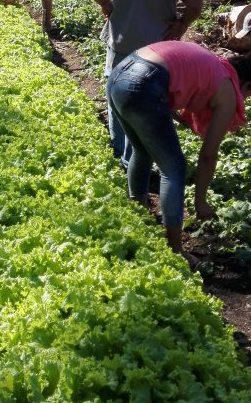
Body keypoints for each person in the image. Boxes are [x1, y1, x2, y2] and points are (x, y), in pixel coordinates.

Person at [74, 0, 203, 164]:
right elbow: (195, 4)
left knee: (116, 98)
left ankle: (120, 154)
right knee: (149, 104)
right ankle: (140, 161)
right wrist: (182, 23)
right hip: (156, 50)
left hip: (120, 38)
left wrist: (105, 2)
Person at [107, 41, 251, 260]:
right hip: (143, 83)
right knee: (174, 168)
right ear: (247, 86)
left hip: (119, 75)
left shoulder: (213, 66)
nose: (245, 101)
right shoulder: (228, 90)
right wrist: (200, 201)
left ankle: (138, 214)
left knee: (141, 150)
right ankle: (175, 250)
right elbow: (208, 155)